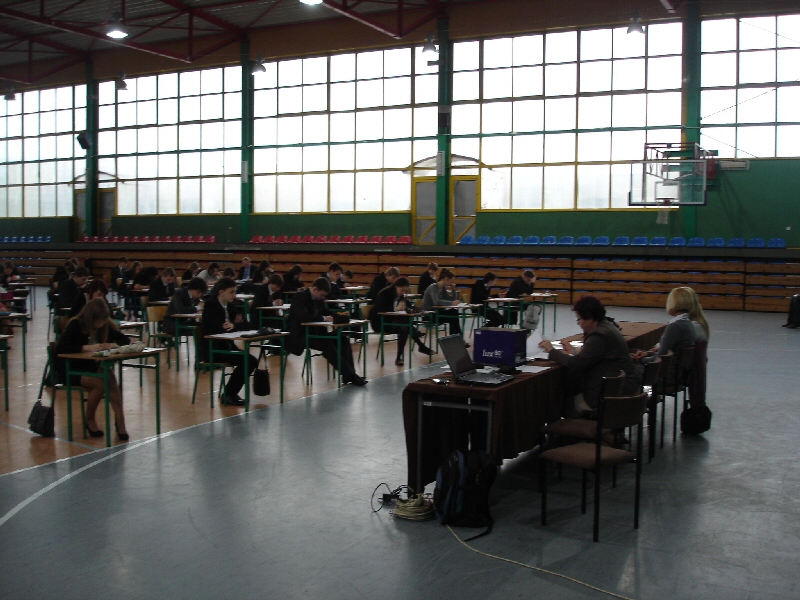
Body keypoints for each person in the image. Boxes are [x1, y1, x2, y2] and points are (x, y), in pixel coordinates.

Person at [539, 295, 638, 416]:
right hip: (620, 388)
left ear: (590, 318)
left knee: (557, 406)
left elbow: (575, 364)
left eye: (579, 319)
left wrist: (551, 351)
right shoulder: (608, 327)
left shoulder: (599, 336)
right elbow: (595, 355)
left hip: (607, 395)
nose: (578, 323)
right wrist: (574, 352)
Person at [55, 298, 131, 440]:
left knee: (110, 378)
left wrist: (112, 344)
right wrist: (86, 348)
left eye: (103, 321)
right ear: (91, 318)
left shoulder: (104, 325)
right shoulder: (76, 324)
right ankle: (89, 419)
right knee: (100, 384)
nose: (100, 324)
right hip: (70, 370)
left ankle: (120, 422)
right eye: (98, 321)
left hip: (89, 367)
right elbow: (61, 348)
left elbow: (125, 340)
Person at [286, 277, 366, 386]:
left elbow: (326, 311)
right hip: (302, 335)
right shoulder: (299, 297)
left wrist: (338, 316)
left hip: (316, 333)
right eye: (322, 295)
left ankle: (349, 374)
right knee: (327, 345)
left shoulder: (318, 298)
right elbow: (304, 317)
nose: (323, 298)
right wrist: (324, 318)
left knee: (343, 340)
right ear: (315, 289)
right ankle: (350, 375)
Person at [201, 278, 257, 407]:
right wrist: (234, 325)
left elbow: (246, 325)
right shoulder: (210, 305)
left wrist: (234, 325)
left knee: (251, 360)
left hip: (228, 346)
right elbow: (219, 328)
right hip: (214, 349)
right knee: (248, 360)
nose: (234, 295)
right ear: (221, 292)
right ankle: (228, 394)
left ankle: (230, 392)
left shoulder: (231, 306)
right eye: (231, 292)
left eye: (235, 292)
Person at [632, 287, 697, 384]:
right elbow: (665, 353)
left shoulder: (675, 327)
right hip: (676, 373)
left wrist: (641, 360)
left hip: (664, 375)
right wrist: (647, 354)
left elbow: (659, 358)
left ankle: (645, 392)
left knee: (626, 367)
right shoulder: (688, 324)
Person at [370, 277, 433, 365]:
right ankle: (420, 346)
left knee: (405, 327)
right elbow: (380, 309)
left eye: (405, 291)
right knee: (406, 326)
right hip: (379, 322)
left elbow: (406, 306)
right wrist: (396, 309)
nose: (403, 293)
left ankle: (400, 357)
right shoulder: (385, 293)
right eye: (402, 290)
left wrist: (412, 309)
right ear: (396, 286)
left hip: (392, 321)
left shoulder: (400, 295)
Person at [422, 268, 462, 336]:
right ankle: (456, 337)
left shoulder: (443, 288)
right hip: (429, 314)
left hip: (437, 313)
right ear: (446, 279)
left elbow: (451, 299)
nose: (451, 284)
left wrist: (453, 290)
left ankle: (456, 337)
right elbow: (436, 302)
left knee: (454, 312)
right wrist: (452, 303)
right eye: (450, 281)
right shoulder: (433, 287)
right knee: (453, 314)